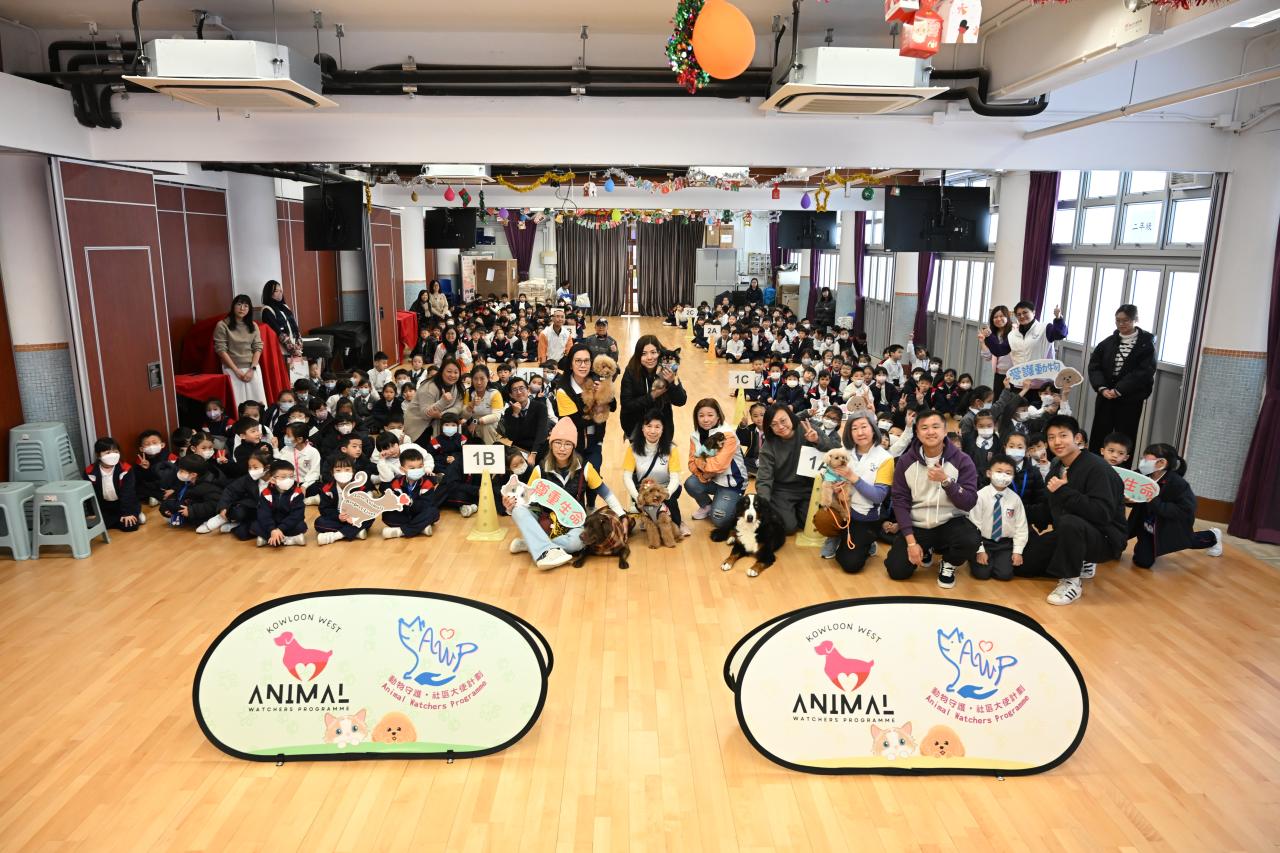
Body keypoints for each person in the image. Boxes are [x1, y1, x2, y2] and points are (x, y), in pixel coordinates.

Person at [1021, 415, 1127, 606]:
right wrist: (1015, 510)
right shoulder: (1057, 467)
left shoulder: (1098, 469)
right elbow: (1048, 509)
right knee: (1024, 564)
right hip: (1068, 534)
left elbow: (1102, 513)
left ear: (1077, 438)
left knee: (1070, 522)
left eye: (1063, 435)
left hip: (1104, 539)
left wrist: (1064, 492)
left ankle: (1071, 580)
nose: (1057, 442)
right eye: (1051, 437)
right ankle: (1077, 559)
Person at [504, 419, 626, 571]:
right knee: (517, 510)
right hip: (546, 520)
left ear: (573, 446)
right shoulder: (540, 470)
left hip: (574, 522)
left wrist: (622, 516)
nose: (562, 448)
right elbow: (526, 501)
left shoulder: (586, 468)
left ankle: (532, 544)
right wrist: (510, 505)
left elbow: (606, 494)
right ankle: (544, 549)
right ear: (551, 444)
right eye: (558, 443)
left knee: (576, 544)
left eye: (568, 444)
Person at [884, 409, 980, 587]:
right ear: (917, 432)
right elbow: (900, 501)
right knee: (896, 570)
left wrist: (947, 482)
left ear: (945, 430)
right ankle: (924, 549)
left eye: (935, 426)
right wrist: (911, 543)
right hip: (918, 524)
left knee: (971, 540)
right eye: (924, 428)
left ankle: (949, 562)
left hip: (950, 522)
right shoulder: (905, 461)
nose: (930, 432)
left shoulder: (962, 460)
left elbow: (969, 502)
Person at [1126, 444, 1223, 569]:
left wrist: (1155, 502)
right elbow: (1131, 495)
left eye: (1146, 459)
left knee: (1184, 541)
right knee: (1139, 559)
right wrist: (1128, 500)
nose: (1142, 462)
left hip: (1167, 525)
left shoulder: (1178, 484)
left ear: (1161, 463)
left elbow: (1185, 509)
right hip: (1145, 523)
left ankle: (1213, 536)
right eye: (1142, 458)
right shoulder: (1141, 475)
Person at [823, 413, 894, 574]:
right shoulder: (843, 451)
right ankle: (838, 536)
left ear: (873, 429)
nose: (860, 432)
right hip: (842, 507)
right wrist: (834, 487)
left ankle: (867, 540)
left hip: (865, 515)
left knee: (850, 564)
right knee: (822, 518)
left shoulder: (885, 458)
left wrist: (852, 477)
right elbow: (828, 477)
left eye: (864, 427)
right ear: (849, 432)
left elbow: (879, 496)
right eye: (854, 428)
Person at [755, 405, 839, 535]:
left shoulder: (808, 428)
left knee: (815, 523)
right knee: (788, 527)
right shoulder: (769, 445)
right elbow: (764, 477)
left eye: (783, 421)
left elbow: (837, 450)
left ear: (791, 417)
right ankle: (780, 507)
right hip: (783, 490)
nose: (780, 427)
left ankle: (794, 512)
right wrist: (763, 504)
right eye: (774, 424)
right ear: (769, 427)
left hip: (810, 488)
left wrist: (817, 441)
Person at [1087, 304, 1157, 452]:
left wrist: (1119, 390)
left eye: (1125, 320)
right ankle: (1096, 464)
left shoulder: (1146, 344)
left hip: (1130, 399)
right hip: (1106, 396)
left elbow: (1144, 372)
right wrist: (1102, 388)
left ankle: (1122, 465)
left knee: (1125, 437)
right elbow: (1094, 367)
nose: (1121, 324)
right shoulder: (1107, 343)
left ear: (1135, 319)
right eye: (1118, 320)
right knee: (1100, 435)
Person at [623, 412, 691, 538]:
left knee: (671, 506)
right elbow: (627, 476)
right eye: (649, 426)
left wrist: (666, 493)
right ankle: (648, 517)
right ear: (642, 428)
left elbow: (675, 477)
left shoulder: (671, 448)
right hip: (645, 490)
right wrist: (637, 496)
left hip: (665, 488)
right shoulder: (632, 448)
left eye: (657, 427)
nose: (653, 431)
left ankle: (678, 522)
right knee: (648, 507)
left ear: (663, 429)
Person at [685, 398, 748, 530]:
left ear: (718, 416)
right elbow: (691, 463)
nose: (705, 419)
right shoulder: (695, 435)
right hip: (711, 480)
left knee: (719, 521)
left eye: (710, 415)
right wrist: (704, 476)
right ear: (696, 418)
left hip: (731, 483)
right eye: (701, 415)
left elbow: (719, 466)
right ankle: (708, 505)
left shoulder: (728, 435)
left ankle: (733, 501)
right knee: (691, 483)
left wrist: (699, 461)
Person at [551, 344, 614, 474]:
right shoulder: (563, 389)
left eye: (586, 361)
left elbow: (613, 406)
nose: (583, 365)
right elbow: (575, 422)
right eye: (578, 361)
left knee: (594, 476)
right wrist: (599, 410)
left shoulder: (596, 378)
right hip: (573, 445)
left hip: (595, 442)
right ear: (571, 364)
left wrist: (604, 392)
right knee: (576, 480)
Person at [967, 454, 1028, 581]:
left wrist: (1018, 551)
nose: (1003, 475)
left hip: (1004, 544)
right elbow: (973, 525)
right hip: (984, 541)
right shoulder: (980, 496)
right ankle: (974, 557)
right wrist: (980, 550)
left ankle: (997, 562)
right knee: (982, 574)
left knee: (1005, 575)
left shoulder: (1015, 499)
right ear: (989, 473)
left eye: (1008, 473)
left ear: (1013, 477)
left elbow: (1021, 526)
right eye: (999, 471)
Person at [984, 301, 1067, 395]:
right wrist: (989, 337)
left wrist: (1058, 318)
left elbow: (1060, 334)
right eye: (1018, 314)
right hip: (1020, 384)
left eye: (1025, 312)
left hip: (1042, 386)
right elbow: (999, 351)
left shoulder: (1044, 328)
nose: (1022, 316)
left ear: (1034, 312)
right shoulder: (1013, 335)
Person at [620, 334, 687, 438]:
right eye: (644, 354)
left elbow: (681, 401)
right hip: (636, 427)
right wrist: (652, 395)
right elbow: (627, 404)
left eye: (653, 352)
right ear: (638, 355)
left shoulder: (668, 370)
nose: (649, 357)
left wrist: (671, 383)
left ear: (659, 353)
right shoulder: (631, 371)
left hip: (662, 428)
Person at [198, 446, 272, 538]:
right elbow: (231, 490)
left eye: (255, 467)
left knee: (243, 533)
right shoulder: (249, 478)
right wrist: (223, 507)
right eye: (250, 467)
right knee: (237, 512)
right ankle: (221, 519)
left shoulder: (277, 479)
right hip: (253, 509)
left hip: (270, 514)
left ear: (267, 467)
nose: (252, 470)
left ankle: (237, 525)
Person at [381, 449, 447, 539]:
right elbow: (392, 502)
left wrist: (411, 502)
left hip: (419, 513)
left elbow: (427, 504)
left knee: (433, 512)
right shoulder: (396, 482)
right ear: (402, 469)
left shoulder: (427, 483)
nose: (417, 470)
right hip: (404, 514)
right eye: (412, 468)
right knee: (386, 515)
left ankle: (401, 531)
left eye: (420, 467)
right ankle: (420, 528)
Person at [213, 294, 266, 406]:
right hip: (231, 369)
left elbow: (258, 347)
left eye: (246, 306)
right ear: (233, 306)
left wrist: (252, 369)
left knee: (257, 403)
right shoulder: (222, 325)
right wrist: (236, 371)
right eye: (239, 304)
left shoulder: (253, 325)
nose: (242, 308)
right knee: (238, 403)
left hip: (252, 368)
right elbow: (221, 350)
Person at [84, 438, 142, 531]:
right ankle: (123, 519)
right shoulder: (89, 471)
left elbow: (128, 493)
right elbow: (89, 495)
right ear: (98, 455)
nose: (112, 455)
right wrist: (93, 513)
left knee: (130, 526)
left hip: (124, 504)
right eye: (107, 453)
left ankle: (132, 516)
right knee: (90, 525)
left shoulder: (126, 469)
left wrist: (127, 513)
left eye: (115, 452)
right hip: (104, 507)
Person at [314, 456, 374, 546]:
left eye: (347, 470)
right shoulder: (327, 489)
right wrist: (338, 516)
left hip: (354, 518)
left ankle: (337, 536)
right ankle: (355, 532)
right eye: (338, 470)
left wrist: (353, 517)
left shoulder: (360, 487)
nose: (343, 473)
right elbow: (324, 509)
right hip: (338, 518)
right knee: (319, 523)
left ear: (353, 472)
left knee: (369, 518)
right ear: (332, 473)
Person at [159, 456, 222, 529]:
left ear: (193, 474)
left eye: (182, 471)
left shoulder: (208, 486)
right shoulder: (189, 480)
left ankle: (208, 523)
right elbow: (180, 494)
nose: (179, 473)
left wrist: (192, 511)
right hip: (189, 505)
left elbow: (213, 504)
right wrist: (167, 505)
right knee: (167, 506)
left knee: (194, 518)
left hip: (201, 512)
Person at [499, 375, 550, 461]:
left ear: (528, 390)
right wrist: (515, 415)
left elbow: (542, 432)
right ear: (511, 395)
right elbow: (511, 437)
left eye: (521, 388)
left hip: (538, 448)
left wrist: (533, 454)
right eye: (515, 390)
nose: (519, 392)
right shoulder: (509, 411)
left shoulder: (540, 407)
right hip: (520, 449)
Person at [260, 279, 303, 380]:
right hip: (282, 352)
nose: (280, 293)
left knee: (298, 379)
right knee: (287, 380)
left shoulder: (285, 307)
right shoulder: (267, 310)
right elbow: (279, 333)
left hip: (295, 349)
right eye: (276, 291)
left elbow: (295, 327)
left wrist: (299, 345)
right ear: (269, 293)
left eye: (281, 290)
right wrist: (293, 349)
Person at [411, 360, 465, 441]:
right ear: (441, 371)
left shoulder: (459, 387)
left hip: (443, 423)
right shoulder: (428, 387)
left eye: (456, 372)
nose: (452, 375)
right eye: (449, 371)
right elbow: (425, 413)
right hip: (420, 426)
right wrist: (442, 402)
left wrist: (441, 415)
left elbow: (458, 408)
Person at [462, 365, 504, 444]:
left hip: (491, 425)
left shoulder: (494, 393)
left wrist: (476, 421)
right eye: (475, 379)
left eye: (482, 378)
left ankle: (490, 448)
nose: (479, 382)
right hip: (472, 424)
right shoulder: (468, 393)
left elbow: (496, 416)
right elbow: (464, 415)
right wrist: (471, 404)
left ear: (488, 378)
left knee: (485, 426)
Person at [979, 305, 1013, 390]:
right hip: (999, 373)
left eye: (1002, 316)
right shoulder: (991, 333)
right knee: (997, 397)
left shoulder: (1014, 331)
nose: (998, 319)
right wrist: (982, 341)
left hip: (1014, 374)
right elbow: (988, 357)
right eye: (995, 317)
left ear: (1008, 316)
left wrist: (989, 336)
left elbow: (999, 350)